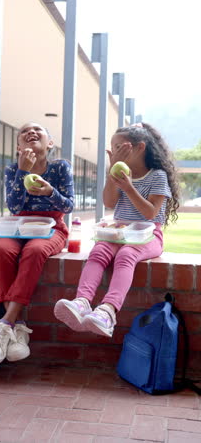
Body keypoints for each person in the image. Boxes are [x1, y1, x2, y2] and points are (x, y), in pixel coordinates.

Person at [54, 122, 180, 337]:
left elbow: (150, 213)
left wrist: (129, 187)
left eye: (121, 147)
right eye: (114, 148)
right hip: (119, 231)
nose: (115, 152)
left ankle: (108, 311)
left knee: (126, 255)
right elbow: (109, 202)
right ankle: (82, 302)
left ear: (140, 147)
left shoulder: (157, 175)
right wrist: (113, 177)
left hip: (147, 235)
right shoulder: (120, 172)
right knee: (99, 251)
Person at [0, 122, 74, 364]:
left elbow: (68, 206)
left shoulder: (60, 167)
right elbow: (14, 207)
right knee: (1, 249)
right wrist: (23, 171)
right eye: (24, 132)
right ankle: (18, 326)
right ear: (19, 146)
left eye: (38, 130)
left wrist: (50, 192)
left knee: (34, 251)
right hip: (18, 226)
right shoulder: (13, 169)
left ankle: (4, 324)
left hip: (51, 228)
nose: (31, 132)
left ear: (50, 143)